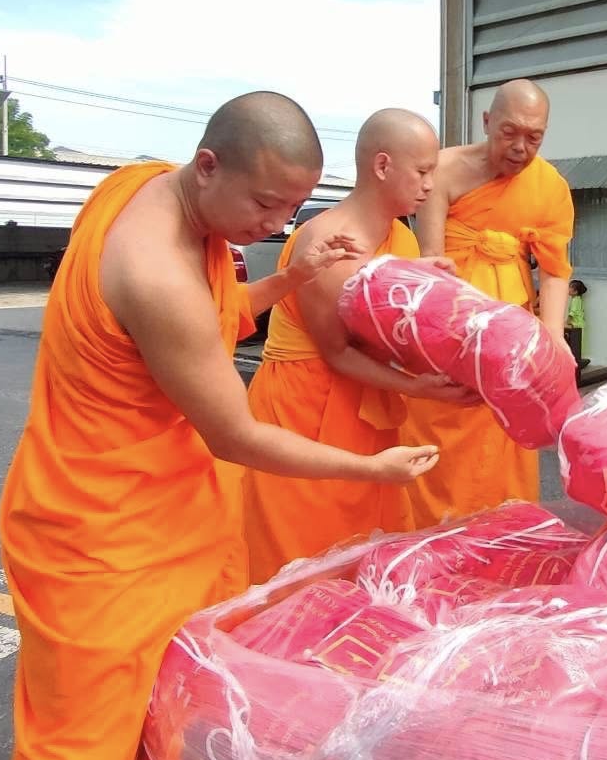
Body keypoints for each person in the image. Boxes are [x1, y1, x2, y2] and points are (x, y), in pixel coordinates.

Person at [0, 91, 440, 760]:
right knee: (83, 738)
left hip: (164, 508)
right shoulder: (157, 276)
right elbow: (235, 435)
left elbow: (211, 317)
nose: (276, 221)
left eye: (291, 208)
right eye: (264, 204)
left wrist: (293, 275)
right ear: (208, 165)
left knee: (166, 705)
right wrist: (371, 468)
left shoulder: (139, 185)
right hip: (100, 531)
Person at [240, 109, 478, 584]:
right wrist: (424, 388)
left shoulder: (402, 237)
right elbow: (338, 353)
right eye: (423, 171)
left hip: (366, 409)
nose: (431, 185)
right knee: (301, 557)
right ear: (383, 165)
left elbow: (403, 332)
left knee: (364, 548)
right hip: (308, 408)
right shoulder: (330, 242)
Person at [400, 78, 575, 526]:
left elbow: (554, 270)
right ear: (486, 122)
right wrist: (447, 341)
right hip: (449, 328)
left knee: (505, 438)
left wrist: (552, 338)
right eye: (509, 132)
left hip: (510, 337)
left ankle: (502, 544)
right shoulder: (442, 170)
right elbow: (431, 263)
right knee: (441, 428)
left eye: (534, 137)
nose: (520, 147)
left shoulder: (550, 187)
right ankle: (428, 545)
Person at [564, 279, 589, 368]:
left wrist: (567, 322)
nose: (568, 289)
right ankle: (575, 359)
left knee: (574, 343)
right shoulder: (577, 299)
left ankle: (573, 360)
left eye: (570, 288)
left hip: (576, 324)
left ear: (575, 291)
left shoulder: (575, 300)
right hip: (578, 324)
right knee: (576, 343)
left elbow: (572, 313)